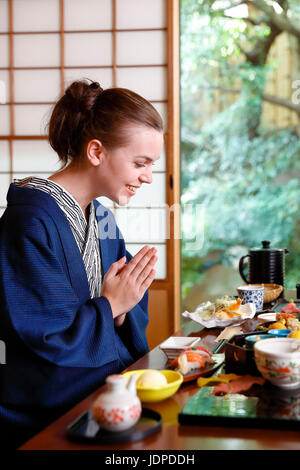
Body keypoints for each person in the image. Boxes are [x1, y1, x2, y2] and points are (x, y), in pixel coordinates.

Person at [0, 80, 164, 448]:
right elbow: (40, 334)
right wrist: (112, 306)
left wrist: (122, 310)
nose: (148, 177)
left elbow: (123, 306)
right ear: (95, 151)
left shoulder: (102, 217)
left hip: (97, 394)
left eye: (152, 165)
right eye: (140, 163)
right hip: (44, 410)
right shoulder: (31, 218)